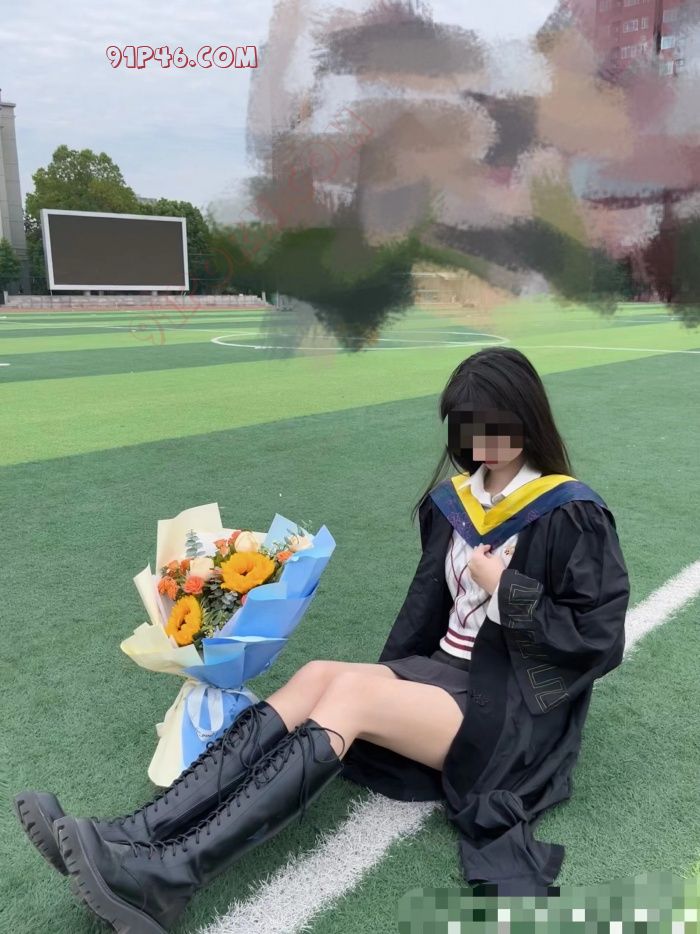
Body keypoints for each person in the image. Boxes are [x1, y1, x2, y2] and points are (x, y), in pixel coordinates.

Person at [13, 347, 630, 931]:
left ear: (525, 418)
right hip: (443, 673)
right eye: (467, 427)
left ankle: (171, 877)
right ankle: (135, 834)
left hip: (511, 708)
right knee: (317, 676)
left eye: (493, 425)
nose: (479, 443)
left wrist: (507, 590)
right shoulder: (459, 502)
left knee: (351, 699)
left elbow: (599, 638)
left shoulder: (569, 511)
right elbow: (430, 608)